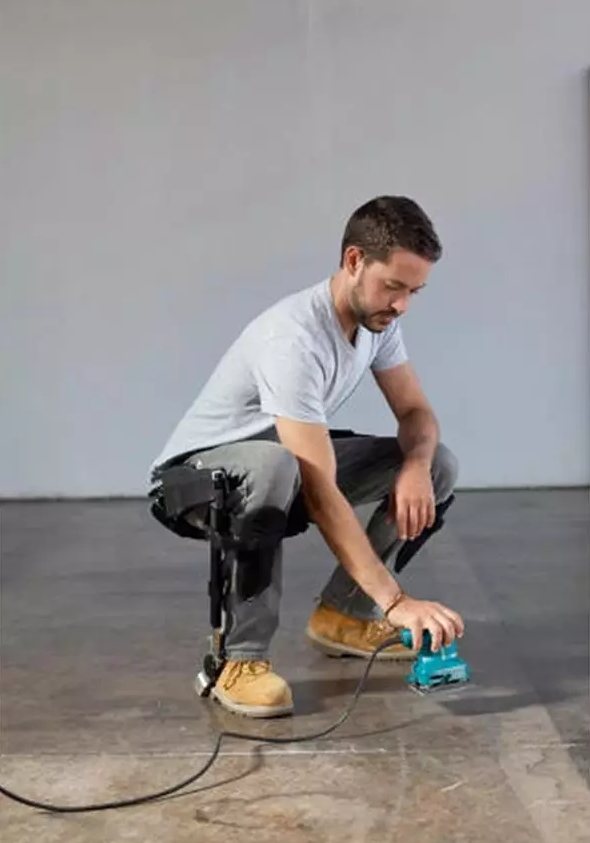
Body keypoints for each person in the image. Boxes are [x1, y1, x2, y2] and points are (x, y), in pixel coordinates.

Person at [149, 195, 465, 718]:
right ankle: (239, 660)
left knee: (435, 463)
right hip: (195, 479)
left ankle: (345, 616)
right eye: (393, 286)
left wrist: (414, 467)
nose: (402, 305)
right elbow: (320, 490)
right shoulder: (293, 338)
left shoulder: (378, 323)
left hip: (283, 465)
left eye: (414, 291)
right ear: (354, 260)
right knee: (277, 466)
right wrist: (396, 601)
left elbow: (416, 413)